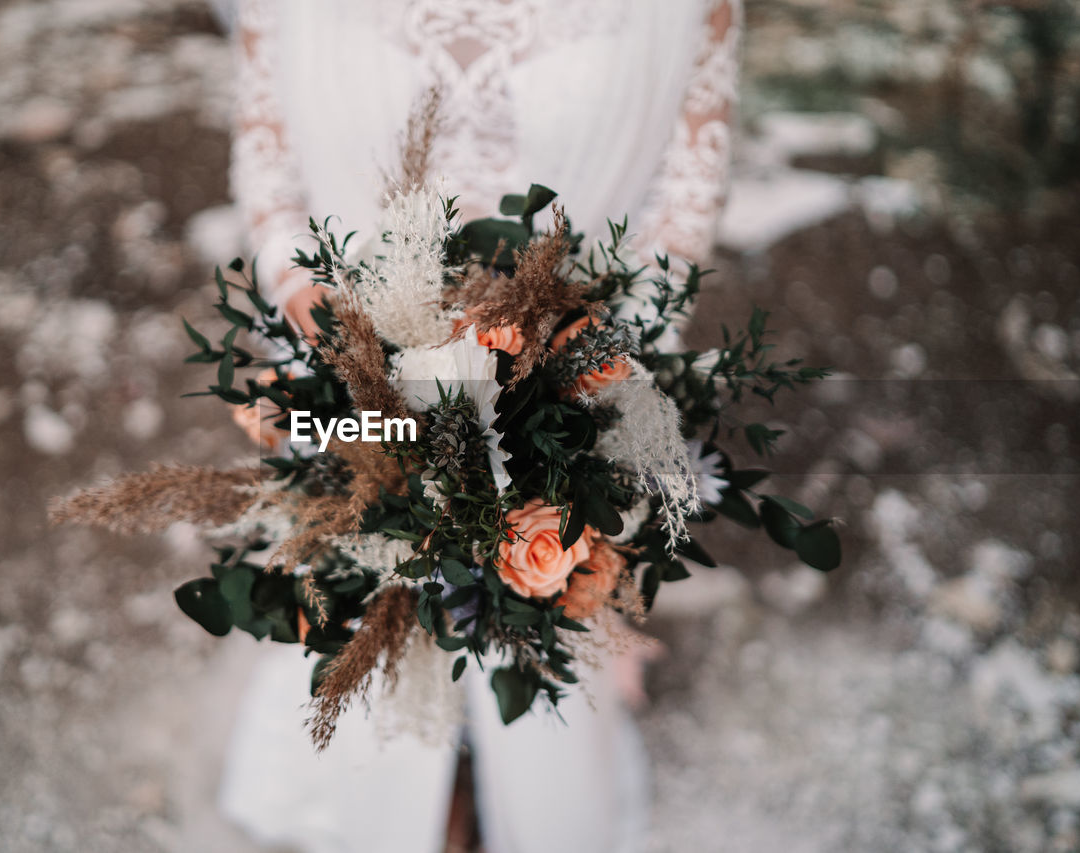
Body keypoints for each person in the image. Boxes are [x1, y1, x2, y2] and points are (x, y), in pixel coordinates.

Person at [216, 2, 741, 851]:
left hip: (573, 389)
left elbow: (684, 193)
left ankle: (524, 795)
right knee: (366, 611)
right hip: (356, 377)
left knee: (547, 624)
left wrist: (591, 373)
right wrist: (330, 347)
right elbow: (269, 158)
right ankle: (399, 801)